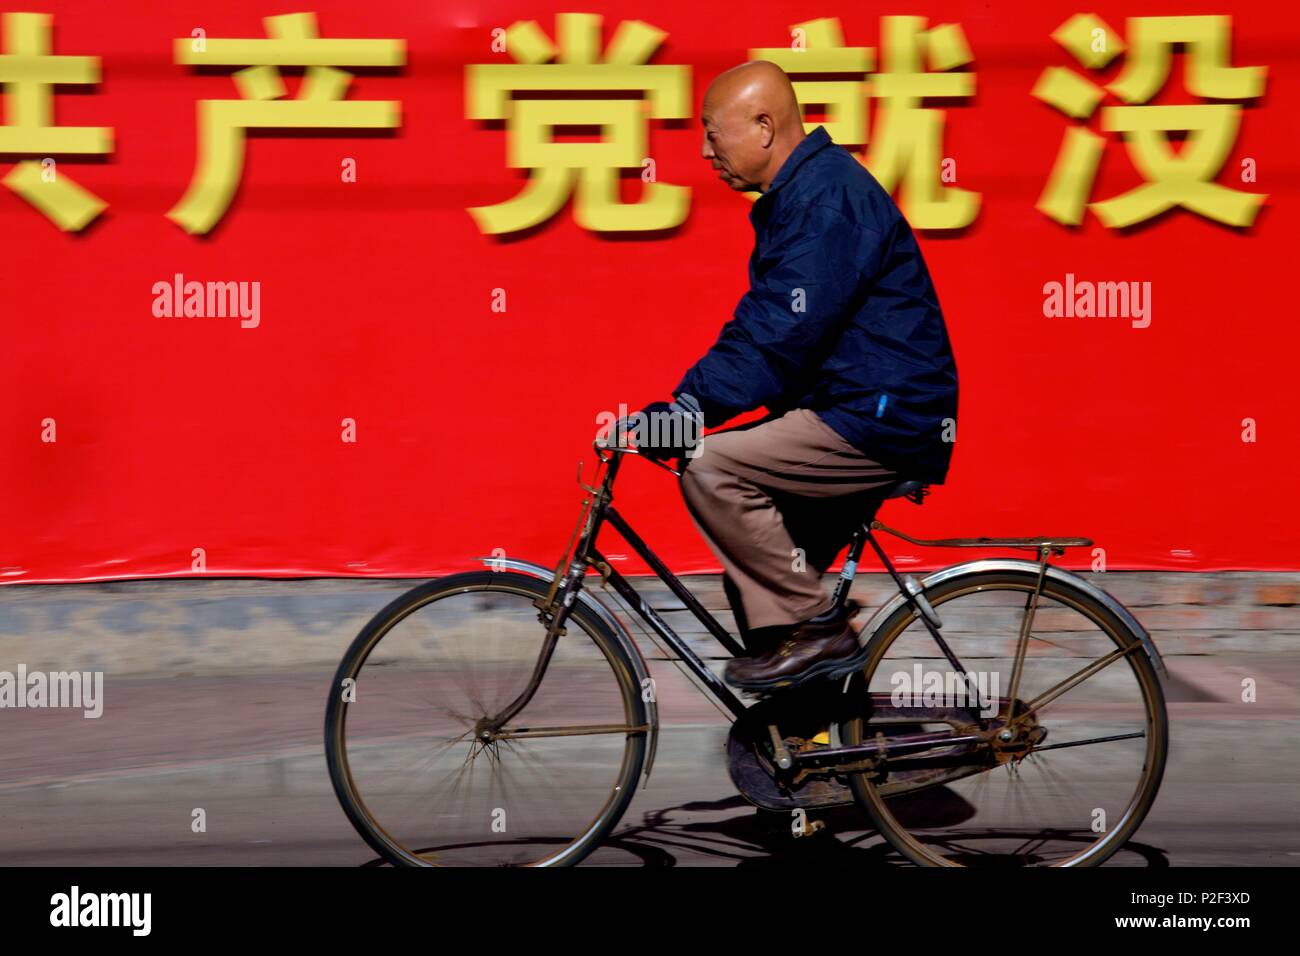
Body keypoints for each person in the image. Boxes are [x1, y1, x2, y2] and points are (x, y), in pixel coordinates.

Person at [636, 60, 959, 692]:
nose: (704, 151)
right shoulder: (803, 195)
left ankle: (822, 630)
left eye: (712, 133)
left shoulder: (826, 198)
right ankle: (814, 752)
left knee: (713, 467)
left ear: (763, 126)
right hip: (854, 405)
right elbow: (778, 330)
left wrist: (690, 410)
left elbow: (780, 332)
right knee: (761, 575)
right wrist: (686, 404)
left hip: (878, 415)